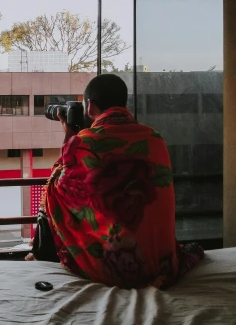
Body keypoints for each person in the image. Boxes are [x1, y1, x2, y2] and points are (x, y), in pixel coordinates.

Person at [27, 74, 203, 289]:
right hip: (158, 261)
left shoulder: (85, 142)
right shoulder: (154, 137)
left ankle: (41, 256)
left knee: (52, 195)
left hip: (114, 267)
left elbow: (57, 184)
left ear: (90, 106)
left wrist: (70, 137)